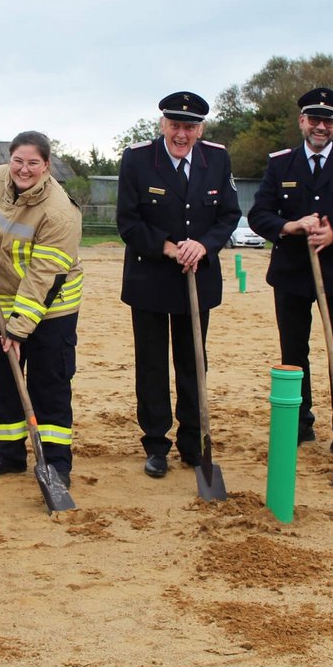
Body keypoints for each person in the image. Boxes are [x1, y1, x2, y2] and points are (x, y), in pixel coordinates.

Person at [247, 88, 333, 466]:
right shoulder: (281, 164)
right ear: (302, 122)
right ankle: (299, 421)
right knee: (294, 351)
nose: (320, 126)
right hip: (292, 273)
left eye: (329, 120)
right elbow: (260, 215)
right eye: (314, 119)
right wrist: (290, 225)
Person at [116, 91, 241, 478]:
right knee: (152, 367)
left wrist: (203, 245)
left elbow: (229, 214)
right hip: (150, 278)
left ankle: (193, 442)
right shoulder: (137, 159)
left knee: (192, 363)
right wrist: (169, 248)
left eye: (190, 127)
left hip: (197, 280)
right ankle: (156, 444)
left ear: (201, 129)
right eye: (175, 126)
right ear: (162, 125)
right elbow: (129, 221)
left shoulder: (216, 158)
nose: (182, 134)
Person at [0, 131, 83, 487]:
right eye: (18, 161)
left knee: (49, 384)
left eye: (33, 163)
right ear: (9, 159)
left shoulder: (60, 213)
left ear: (46, 166)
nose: (23, 169)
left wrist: (17, 329)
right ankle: (9, 453)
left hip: (51, 308)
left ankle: (56, 463)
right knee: (2, 379)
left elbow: (44, 277)